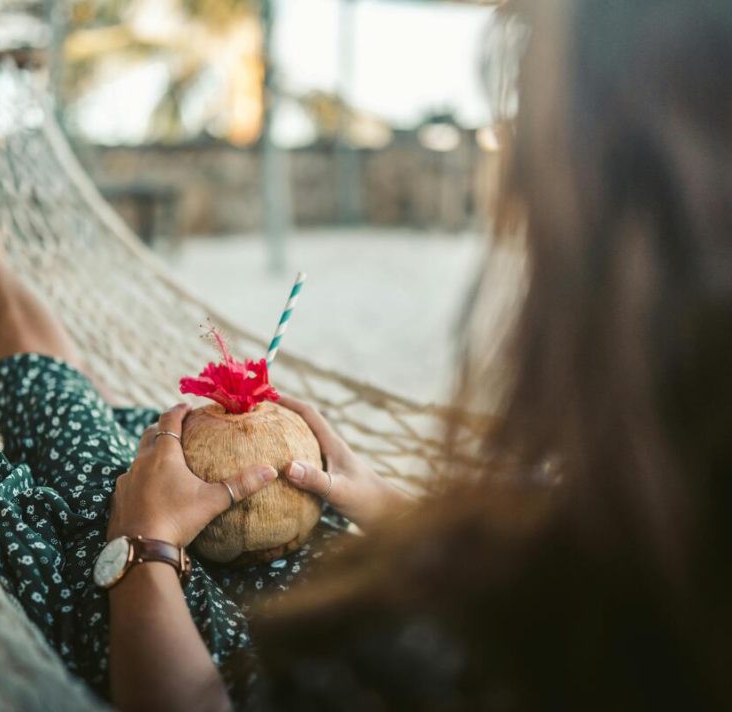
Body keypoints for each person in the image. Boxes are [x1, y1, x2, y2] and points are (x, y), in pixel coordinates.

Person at [96, 0, 732, 710]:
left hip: (193, 607)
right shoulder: (671, 523)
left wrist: (140, 549)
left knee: (92, 454)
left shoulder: (404, 667)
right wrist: (390, 504)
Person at [0, 111, 411, 708]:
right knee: (115, 438)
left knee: (85, 436)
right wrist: (386, 504)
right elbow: (487, 584)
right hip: (334, 564)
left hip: (196, 639)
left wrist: (146, 540)